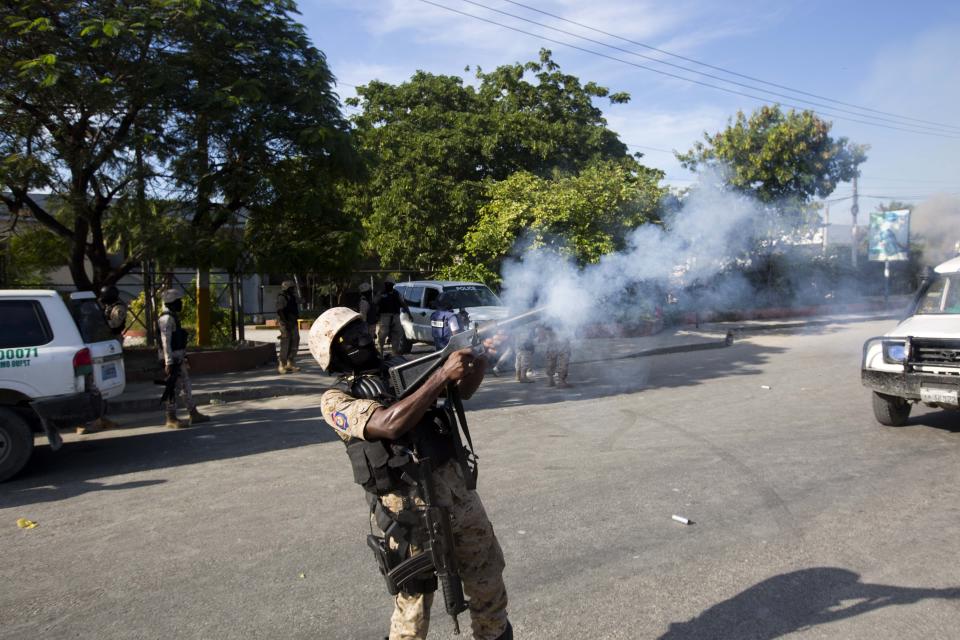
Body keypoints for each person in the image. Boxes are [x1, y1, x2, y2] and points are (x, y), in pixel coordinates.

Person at [309, 308, 512, 640]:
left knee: (489, 588)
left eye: (361, 328)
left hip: (458, 495)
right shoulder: (335, 400)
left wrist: (479, 361)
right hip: (407, 513)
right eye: (348, 337)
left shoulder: (402, 367)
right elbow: (388, 424)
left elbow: (462, 391)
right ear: (331, 353)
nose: (362, 338)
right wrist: (441, 375)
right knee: (413, 613)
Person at [157, 289, 211, 429]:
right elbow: (165, 342)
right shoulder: (166, 319)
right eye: (178, 301)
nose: (181, 303)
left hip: (178, 357)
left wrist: (184, 356)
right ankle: (171, 418)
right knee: (172, 388)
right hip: (172, 359)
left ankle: (193, 413)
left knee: (186, 386)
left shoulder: (173, 317)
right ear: (172, 303)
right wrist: (168, 362)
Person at [377, 276, 411, 356]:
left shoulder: (397, 293)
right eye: (387, 284)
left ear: (392, 285)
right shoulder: (381, 293)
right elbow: (375, 303)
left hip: (395, 317)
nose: (388, 285)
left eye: (390, 284)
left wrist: (409, 314)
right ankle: (380, 354)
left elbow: (403, 304)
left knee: (396, 336)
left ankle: (394, 355)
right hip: (384, 317)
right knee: (382, 335)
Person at [276, 280, 301, 374]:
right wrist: (286, 323)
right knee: (285, 342)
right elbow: (280, 311)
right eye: (291, 288)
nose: (293, 289)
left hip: (293, 322)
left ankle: (290, 363)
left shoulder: (292, 297)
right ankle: (282, 364)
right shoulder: (281, 297)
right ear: (286, 288)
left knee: (295, 340)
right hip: (284, 323)